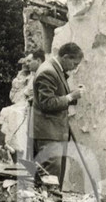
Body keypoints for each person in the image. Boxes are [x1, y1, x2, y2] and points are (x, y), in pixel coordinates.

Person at [30, 43, 84, 185]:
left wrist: (71, 94)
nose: (75, 68)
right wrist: (71, 97)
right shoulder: (48, 71)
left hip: (55, 132)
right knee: (50, 178)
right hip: (48, 133)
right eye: (74, 63)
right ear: (66, 57)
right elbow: (47, 103)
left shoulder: (56, 70)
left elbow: (55, 95)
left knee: (54, 177)